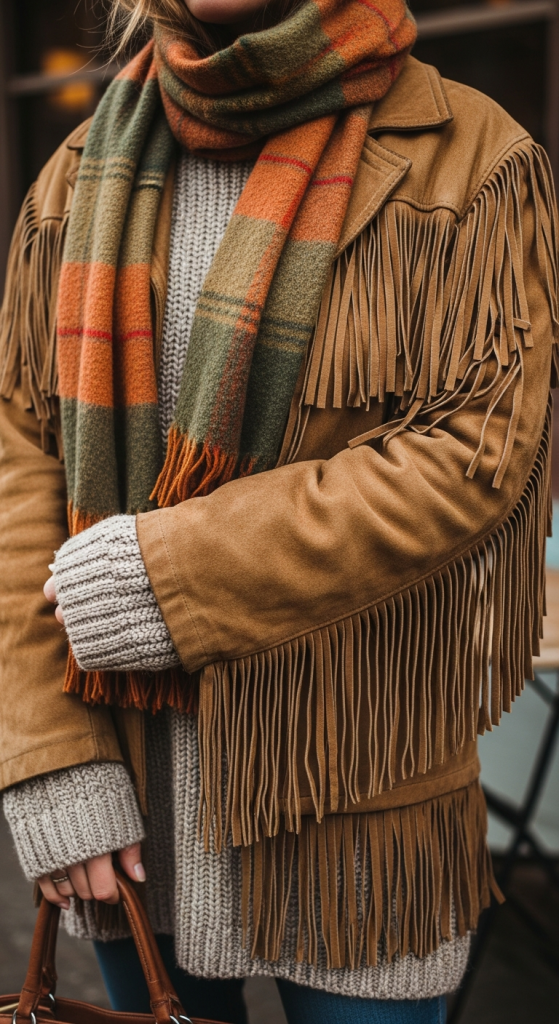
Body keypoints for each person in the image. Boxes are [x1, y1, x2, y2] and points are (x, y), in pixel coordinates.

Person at [0, 0, 557, 1021]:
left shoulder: (472, 156)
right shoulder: (79, 172)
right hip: (131, 804)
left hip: (353, 798)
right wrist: (48, 758)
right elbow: (22, 453)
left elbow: (478, 450)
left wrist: (166, 575)